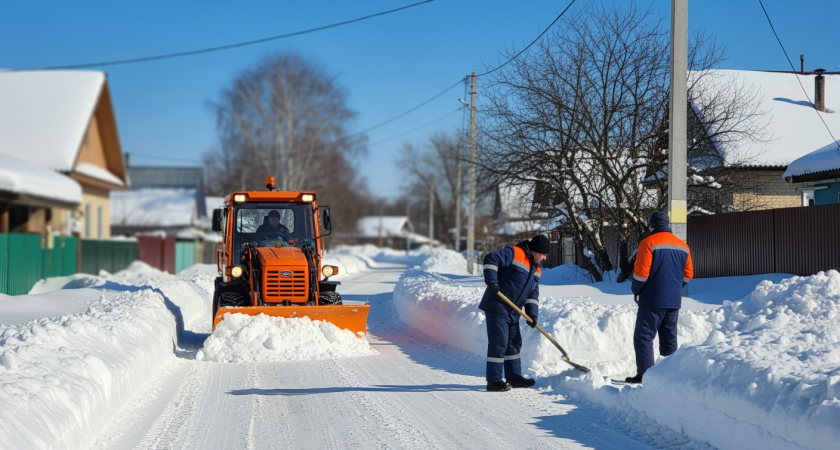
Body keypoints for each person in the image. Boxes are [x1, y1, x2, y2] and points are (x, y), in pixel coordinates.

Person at [626, 211, 693, 384]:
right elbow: (688, 274)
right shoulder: (683, 246)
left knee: (644, 336)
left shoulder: (648, 243)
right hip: (673, 300)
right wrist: (676, 287)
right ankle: (669, 377)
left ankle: (646, 376)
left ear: (651, 225)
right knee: (669, 337)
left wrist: (636, 290)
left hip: (652, 299)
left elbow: (641, 274)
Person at [480, 234, 550, 392]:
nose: (544, 259)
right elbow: (491, 258)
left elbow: (532, 293)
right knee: (499, 342)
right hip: (497, 305)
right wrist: (492, 281)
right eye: (544, 255)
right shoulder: (515, 253)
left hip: (513, 311)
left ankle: (514, 377)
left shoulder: (536, 270)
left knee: (513, 343)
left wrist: (532, 314)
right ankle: (494, 381)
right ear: (536, 251)